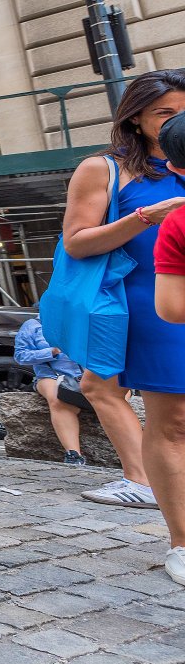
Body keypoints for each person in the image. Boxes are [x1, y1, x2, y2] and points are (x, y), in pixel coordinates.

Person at [62, 70, 185, 512]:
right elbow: (76, 242)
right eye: (164, 112)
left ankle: (147, 480)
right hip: (145, 304)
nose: (177, 121)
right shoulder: (105, 168)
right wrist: (147, 216)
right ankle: (150, 485)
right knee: (169, 415)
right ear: (136, 119)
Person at [142, 111, 185, 584]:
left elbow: (172, 305)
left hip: (164, 310)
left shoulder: (177, 222)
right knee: (172, 423)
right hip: (154, 322)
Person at [13, 316, 86, 466]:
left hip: (88, 375)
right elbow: (20, 356)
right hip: (52, 376)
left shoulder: (83, 318)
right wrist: (52, 352)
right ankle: (73, 454)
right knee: (57, 398)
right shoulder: (33, 325)